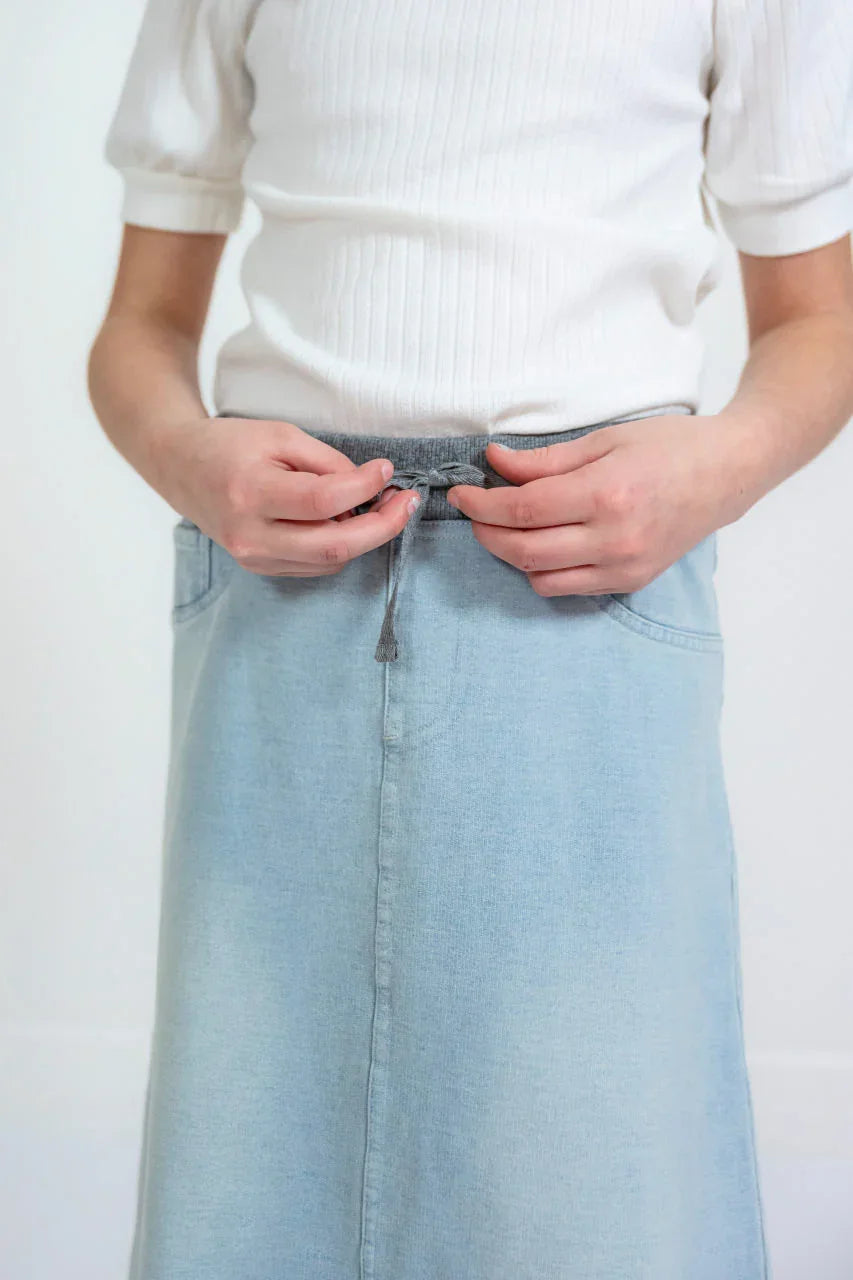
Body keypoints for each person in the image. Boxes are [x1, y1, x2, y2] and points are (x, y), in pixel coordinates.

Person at [87, 2, 853, 1277]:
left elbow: (819, 323)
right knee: (252, 1180)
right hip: (285, 602)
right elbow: (140, 325)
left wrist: (708, 472)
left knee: (599, 1196)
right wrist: (186, 457)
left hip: (585, 598)